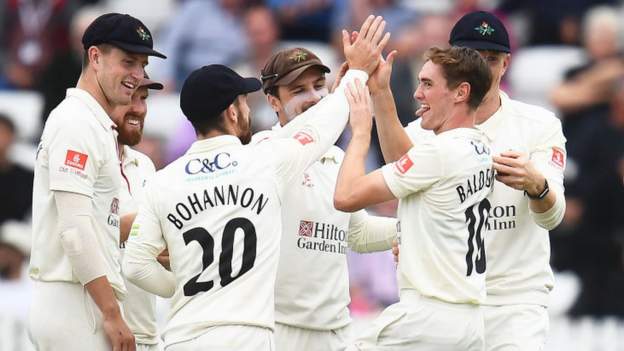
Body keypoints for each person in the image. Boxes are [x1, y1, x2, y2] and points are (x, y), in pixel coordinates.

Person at [123, 15, 389, 350]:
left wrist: (182, 284)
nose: (249, 109)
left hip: (187, 334)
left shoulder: (164, 181)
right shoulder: (264, 159)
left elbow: (135, 265)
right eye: (245, 102)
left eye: (318, 87)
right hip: (258, 332)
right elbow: (319, 129)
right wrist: (360, 73)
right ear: (233, 112)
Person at [379, 11, 567, 350]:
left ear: (506, 64)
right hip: (446, 305)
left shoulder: (538, 125)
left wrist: (535, 184)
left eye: (491, 60)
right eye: (472, 59)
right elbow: (402, 204)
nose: (481, 69)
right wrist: (409, 239)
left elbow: (552, 216)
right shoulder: (420, 134)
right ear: (450, 64)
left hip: (514, 302)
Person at [334, 46, 494, 350]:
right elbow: (408, 163)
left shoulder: (440, 152)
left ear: (461, 92)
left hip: (427, 318)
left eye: (428, 84)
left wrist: (359, 133)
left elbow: (346, 196)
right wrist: (381, 91)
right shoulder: (480, 148)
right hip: (469, 324)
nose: (418, 93)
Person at [28, 13, 166, 351]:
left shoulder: (95, 124)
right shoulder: (76, 121)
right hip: (73, 300)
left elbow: (103, 223)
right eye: (128, 61)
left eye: (142, 64)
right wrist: (111, 312)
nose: (137, 75)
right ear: (94, 57)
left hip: (82, 296)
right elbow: (75, 230)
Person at [255, 46, 398, 351]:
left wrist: (420, 226)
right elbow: (306, 135)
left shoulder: (336, 159)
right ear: (273, 101)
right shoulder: (263, 149)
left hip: (336, 331)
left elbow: (357, 234)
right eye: (299, 90)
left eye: (319, 86)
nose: (315, 97)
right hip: (278, 330)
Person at [114, 75, 169, 351]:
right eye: (131, 97)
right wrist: (152, 223)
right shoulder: (87, 157)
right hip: (103, 331)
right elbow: (77, 234)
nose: (139, 108)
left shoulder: (145, 165)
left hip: (145, 333)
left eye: (143, 99)